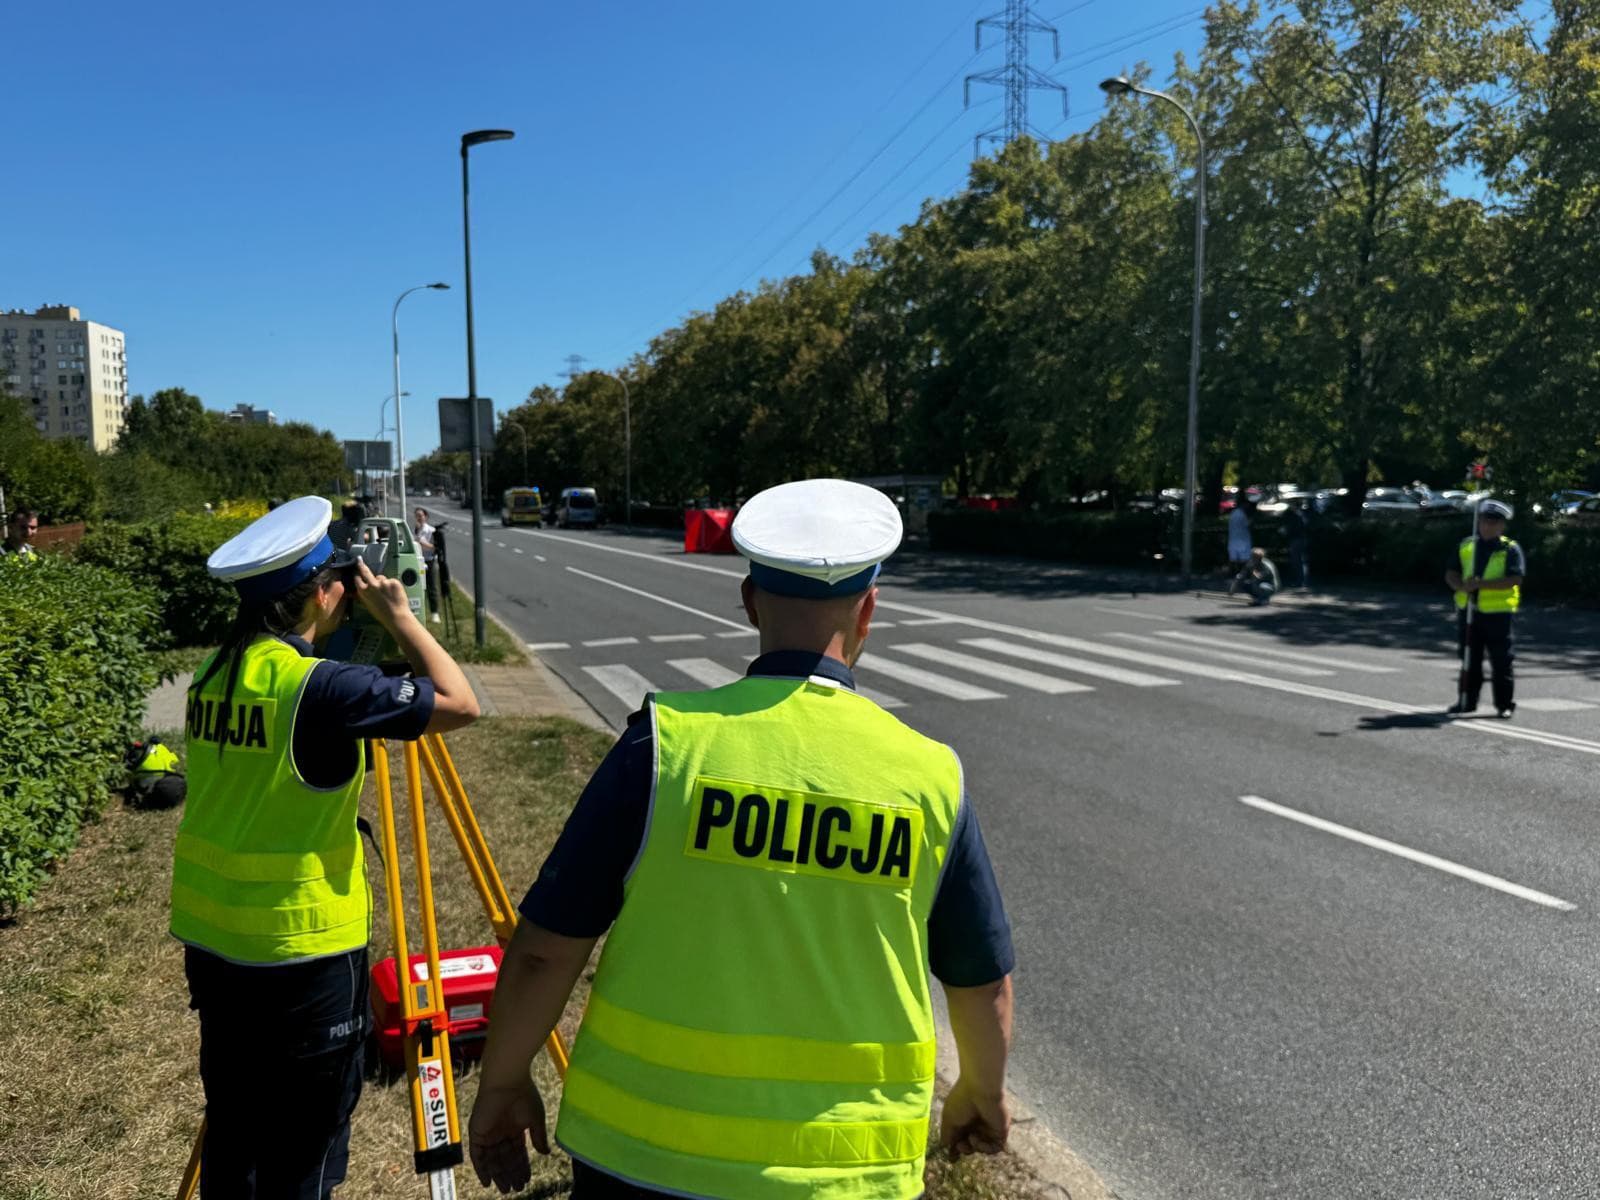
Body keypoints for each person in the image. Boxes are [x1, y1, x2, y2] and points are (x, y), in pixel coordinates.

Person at [468, 478, 1016, 1200]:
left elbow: (544, 951)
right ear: (869, 611)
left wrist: (504, 1080)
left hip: (643, 1160)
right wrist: (981, 1092)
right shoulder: (929, 778)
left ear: (750, 600)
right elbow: (982, 982)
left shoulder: (662, 749)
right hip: (844, 1175)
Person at [170, 495, 480, 1198]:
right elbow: (462, 702)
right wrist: (401, 619)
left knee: (237, 1131)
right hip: (301, 957)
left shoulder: (214, 673)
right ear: (324, 591)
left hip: (217, 946)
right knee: (299, 1160)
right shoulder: (323, 689)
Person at [1444, 498, 1524, 718]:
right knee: (1469, 657)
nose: (1487, 526)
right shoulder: (1467, 545)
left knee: (1501, 661)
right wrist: (1461, 586)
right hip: (1469, 611)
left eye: (1493, 522)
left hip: (1498, 614)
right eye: (1484, 521)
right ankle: (1466, 702)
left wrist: (1481, 584)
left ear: (1502, 525)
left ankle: (1504, 705)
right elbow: (1451, 572)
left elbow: (1514, 579)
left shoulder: (1509, 549)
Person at [413, 506, 442, 624]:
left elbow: (436, 547)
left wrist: (424, 544)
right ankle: (419, 612)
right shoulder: (415, 529)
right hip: (418, 561)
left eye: (421, 515)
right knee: (418, 587)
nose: (419, 518)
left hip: (430, 560)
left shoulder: (431, 530)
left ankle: (435, 613)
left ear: (426, 517)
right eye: (417, 516)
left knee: (432, 586)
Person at [1283, 498, 1311, 589]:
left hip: (1296, 540)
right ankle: (1302, 581)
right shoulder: (1302, 515)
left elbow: (1295, 529)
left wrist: (1286, 531)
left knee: (1297, 561)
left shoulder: (1297, 516)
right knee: (1301, 561)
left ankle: (1300, 581)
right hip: (1301, 539)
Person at [1227, 495, 1252, 575]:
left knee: (1234, 558)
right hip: (1242, 539)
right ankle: (1243, 574)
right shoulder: (1242, 514)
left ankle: (1233, 574)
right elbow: (1246, 524)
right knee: (1243, 559)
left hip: (1233, 538)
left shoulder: (1233, 513)